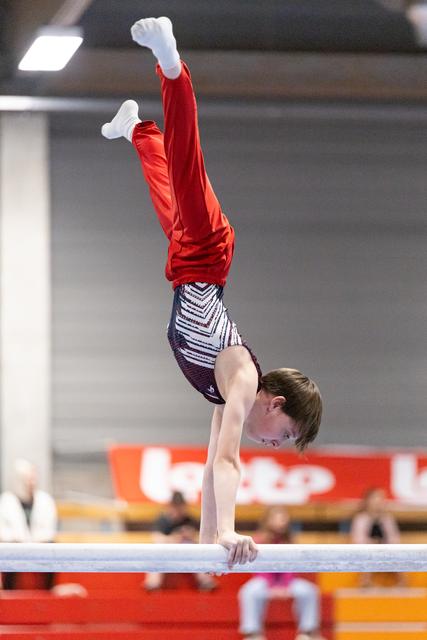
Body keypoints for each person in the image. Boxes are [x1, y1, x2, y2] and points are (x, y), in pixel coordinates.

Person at [102, 16, 322, 566]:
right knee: (186, 160)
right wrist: (228, 531)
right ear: (273, 403)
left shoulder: (225, 399)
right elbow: (229, 463)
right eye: (280, 434)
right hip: (208, 255)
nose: (271, 444)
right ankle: (170, 63)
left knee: (166, 192)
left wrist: (204, 547)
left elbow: (207, 467)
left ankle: (135, 130)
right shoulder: (242, 380)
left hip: (185, 268)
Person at [238, 506, 325, 640]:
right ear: (268, 521)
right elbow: (259, 567)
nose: (281, 521)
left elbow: (290, 567)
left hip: (287, 582)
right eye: (277, 518)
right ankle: (252, 633)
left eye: (283, 518)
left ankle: (308, 631)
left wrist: (285, 585)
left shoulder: (290, 540)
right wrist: (272, 586)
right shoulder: (258, 540)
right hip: (264, 581)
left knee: (309, 591)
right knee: (248, 591)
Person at [0, 459, 57, 590]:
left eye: (32, 479)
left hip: (40, 545)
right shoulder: (5, 501)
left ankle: (47, 590)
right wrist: (20, 541)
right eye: (27, 479)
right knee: (9, 551)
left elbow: (49, 530)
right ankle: (10, 591)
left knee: (53, 547)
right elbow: (3, 531)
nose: (31, 483)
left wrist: (32, 542)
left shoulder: (45, 500)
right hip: (14, 546)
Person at [144, 491, 216, 591]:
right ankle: (152, 583)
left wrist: (191, 536)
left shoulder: (189, 520)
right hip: (166, 552)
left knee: (194, 549)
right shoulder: (163, 520)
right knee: (156, 553)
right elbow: (157, 539)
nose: (178, 511)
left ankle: (205, 580)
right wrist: (175, 538)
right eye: (175, 507)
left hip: (187, 552)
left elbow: (202, 539)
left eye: (180, 507)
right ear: (170, 507)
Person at [350, 487, 403, 587]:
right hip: (367, 550)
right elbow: (357, 539)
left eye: (380, 499)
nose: (378, 502)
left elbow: (395, 537)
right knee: (369, 557)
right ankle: (365, 583)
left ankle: (402, 584)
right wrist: (371, 544)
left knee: (401, 557)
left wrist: (388, 547)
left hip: (387, 550)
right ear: (367, 501)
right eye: (375, 499)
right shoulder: (361, 519)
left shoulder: (387, 519)